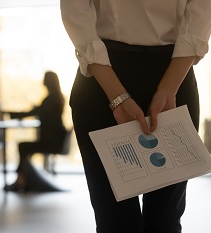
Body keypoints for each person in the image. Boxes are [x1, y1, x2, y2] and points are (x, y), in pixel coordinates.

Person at [60, 1, 211, 233]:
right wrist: (118, 96)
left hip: (173, 76)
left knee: (165, 220)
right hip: (104, 78)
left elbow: (201, 13)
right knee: (114, 219)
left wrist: (168, 90)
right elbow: (76, 12)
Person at [4, 71, 67, 192]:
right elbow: (42, 113)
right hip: (55, 139)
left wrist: (7, 113)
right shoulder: (57, 98)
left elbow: (32, 113)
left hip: (51, 142)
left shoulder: (50, 100)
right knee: (25, 149)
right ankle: (22, 179)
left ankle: (21, 180)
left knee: (23, 147)